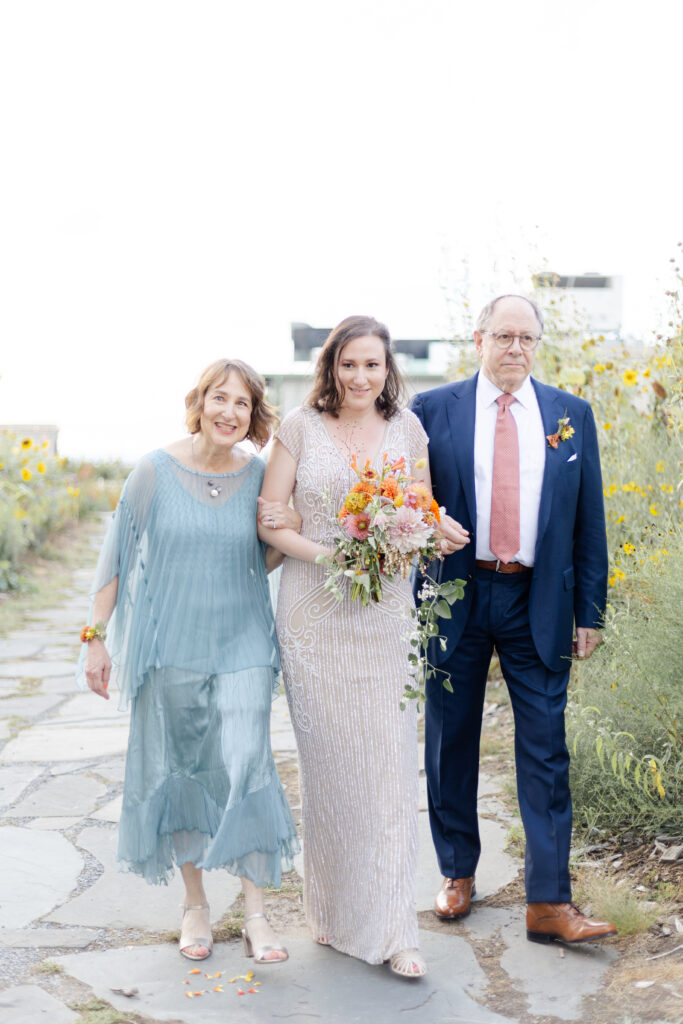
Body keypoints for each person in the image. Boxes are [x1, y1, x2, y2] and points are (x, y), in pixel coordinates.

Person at [257, 315, 467, 978]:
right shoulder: (298, 426)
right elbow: (271, 517)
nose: (359, 377)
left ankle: (391, 930)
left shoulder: (406, 428)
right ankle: (334, 912)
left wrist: (431, 530)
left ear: (387, 369)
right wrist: (336, 555)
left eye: (371, 365)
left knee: (384, 766)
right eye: (348, 364)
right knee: (331, 770)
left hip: (383, 618)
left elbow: (420, 507)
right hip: (314, 614)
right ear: (330, 367)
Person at [410, 294, 618, 944]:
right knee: (449, 744)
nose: (515, 350)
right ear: (477, 339)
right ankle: (456, 873)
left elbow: (589, 521)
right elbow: (408, 499)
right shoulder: (431, 411)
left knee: (545, 751)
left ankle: (549, 902)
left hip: (538, 600)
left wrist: (590, 611)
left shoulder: (569, 415)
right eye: (503, 336)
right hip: (457, 594)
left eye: (527, 339)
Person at [81, 359, 300, 964]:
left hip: (244, 643)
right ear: (199, 400)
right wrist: (95, 638)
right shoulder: (151, 473)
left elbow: (266, 558)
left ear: (254, 416)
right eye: (219, 399)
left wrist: (291, 525)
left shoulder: (259, 476)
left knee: (248, 761)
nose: (230, 413)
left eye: (243, 405)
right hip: (171, 644)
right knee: (184, 768)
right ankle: (196, 904)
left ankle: (256, 914)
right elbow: (115, 560)